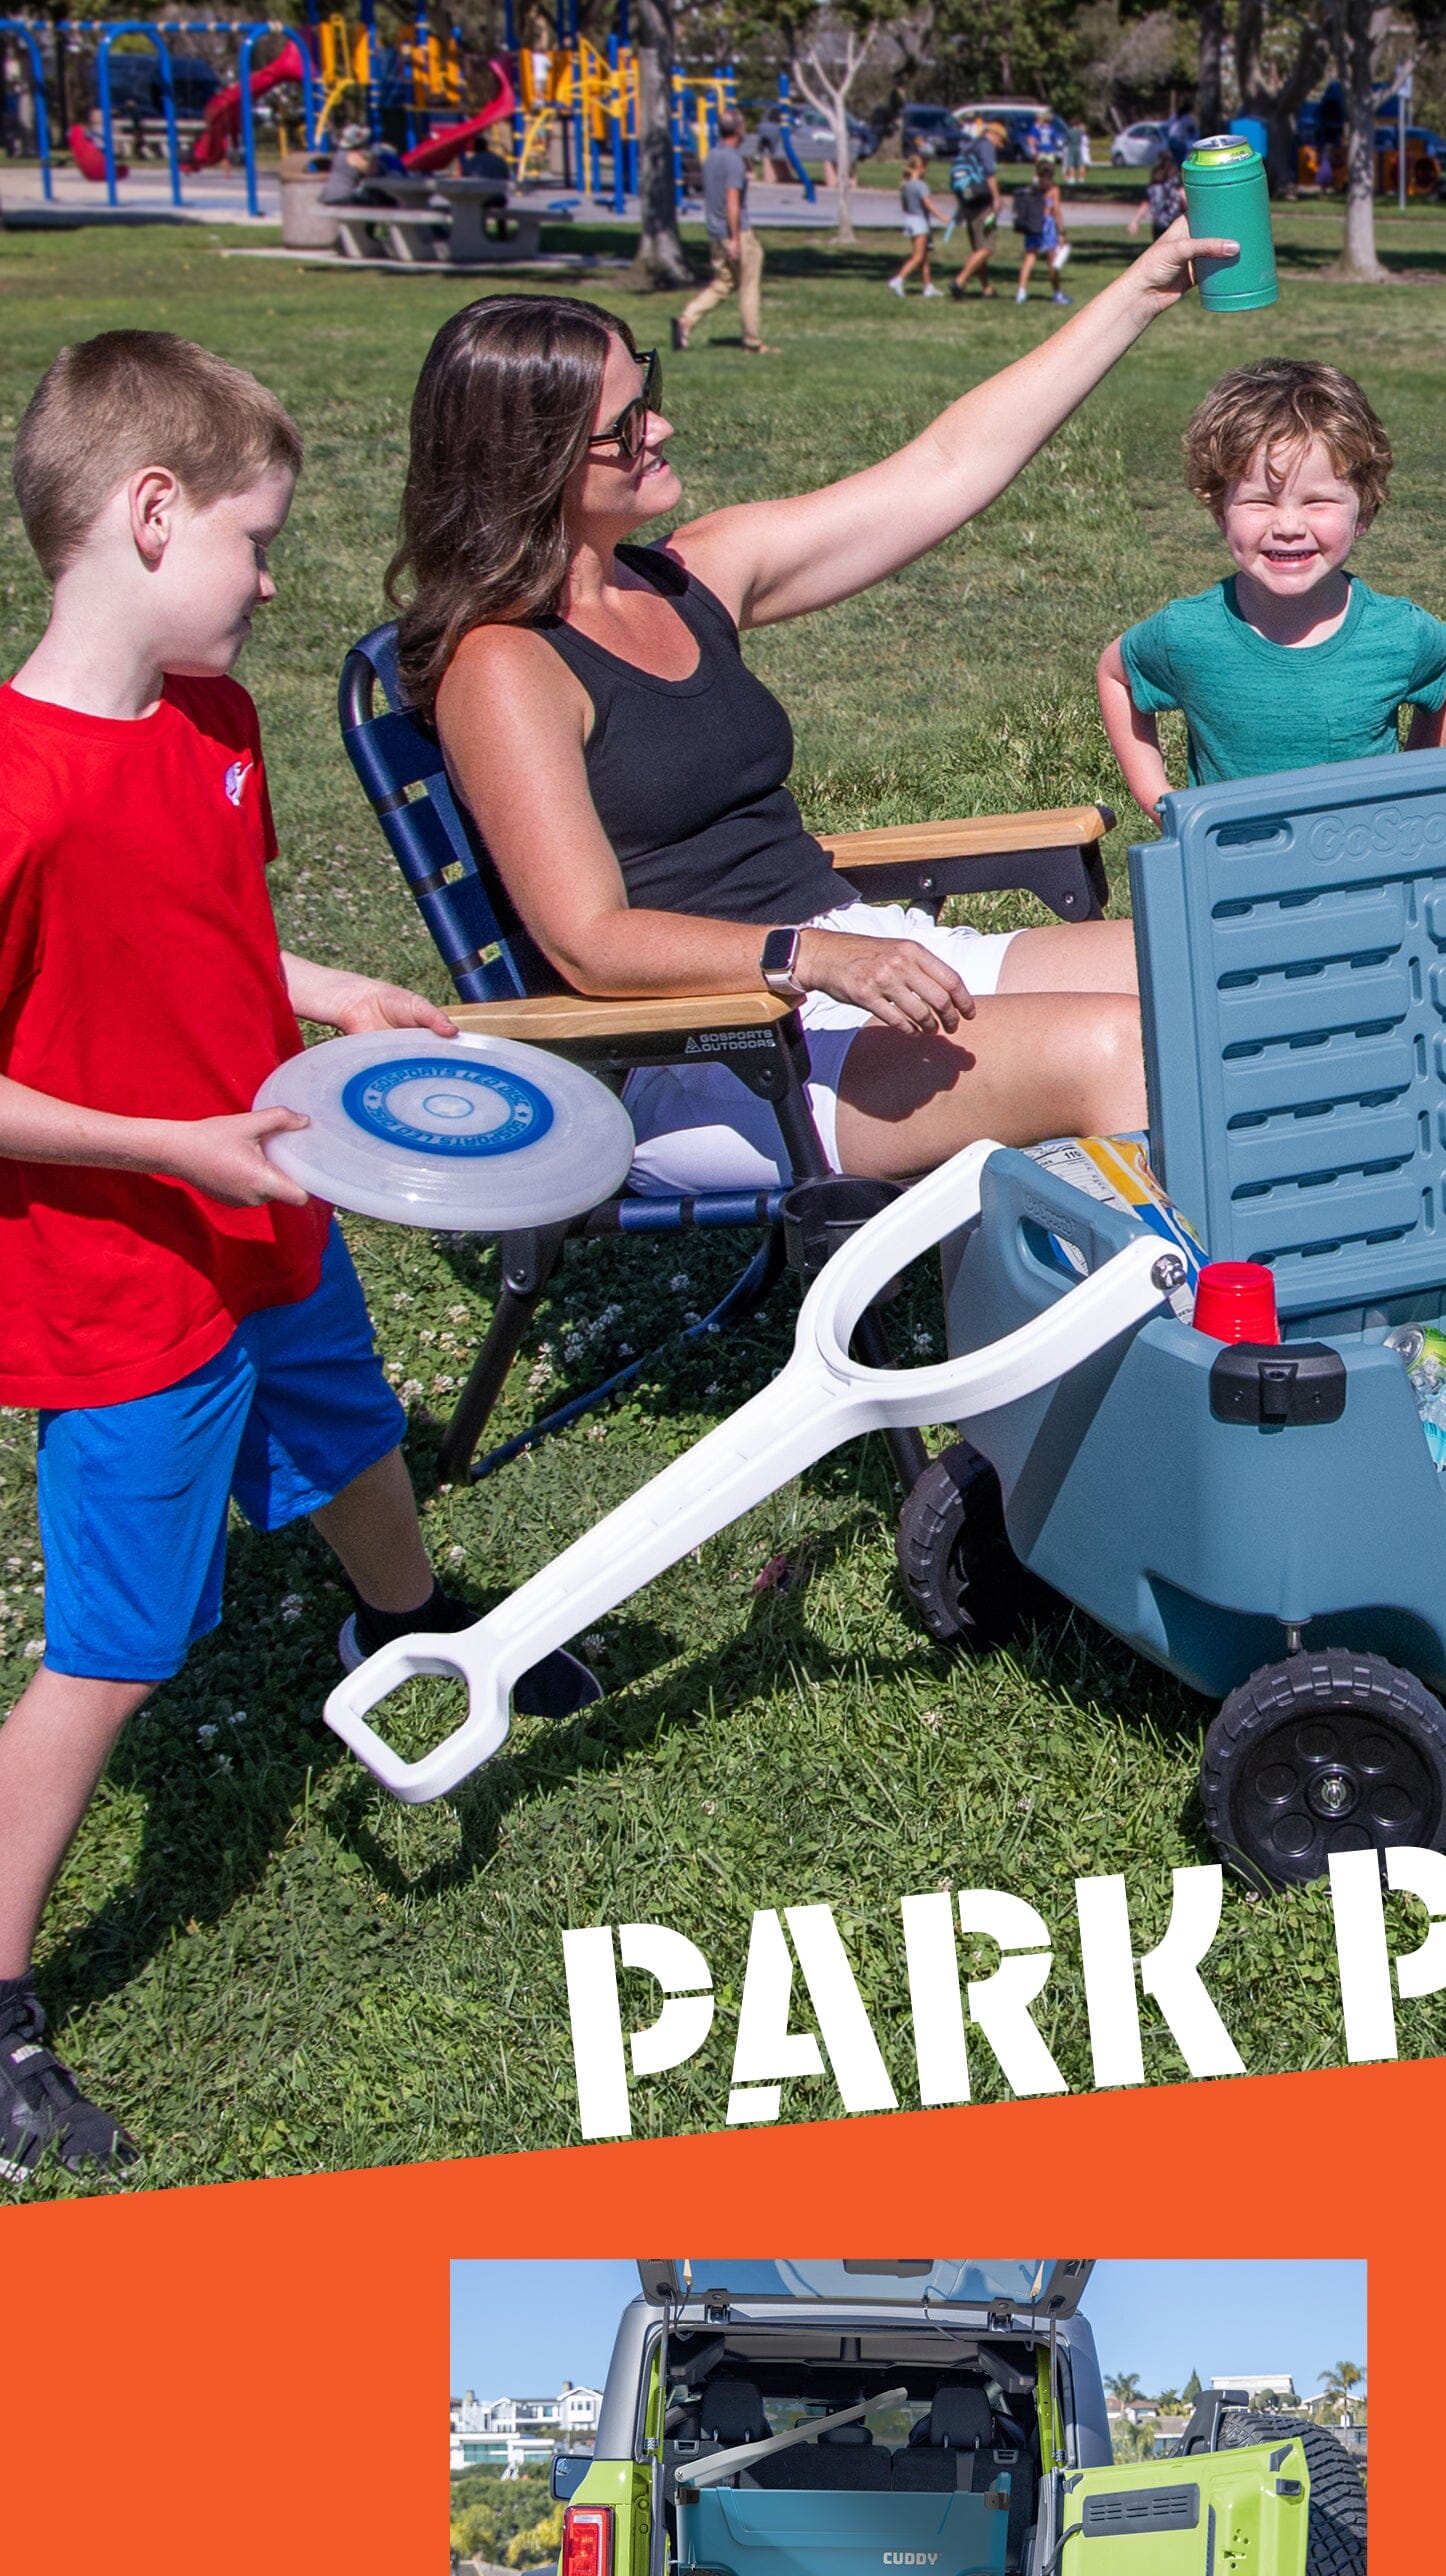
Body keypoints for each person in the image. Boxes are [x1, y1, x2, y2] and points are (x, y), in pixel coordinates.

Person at [0, 334, 600, 2175]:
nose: (272, 582)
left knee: (348, 1435)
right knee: (116, 1647)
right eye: (257, 543)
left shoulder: (217, 726)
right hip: (122, 1278)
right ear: (150, 512)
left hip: (267, 1203)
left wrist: (326, 992)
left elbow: (201, 952)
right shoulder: (18, 793)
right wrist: (164, 1147)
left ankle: (408, 1617)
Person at [394, 231, 1231, 1198]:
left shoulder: (684, 578)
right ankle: (1197, 1329)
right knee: (1121, 1045)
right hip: (715, 1054)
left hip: (847, 961)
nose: (658, 431)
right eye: (622, 429)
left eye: (648, 396)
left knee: (1220, 958)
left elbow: (950, 465)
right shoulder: (505, 665)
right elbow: (589, 937)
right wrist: (812, 958)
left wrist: (1139, 290)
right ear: (530, 463)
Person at [1096, 358, 1446, 817]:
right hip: (1233, 873)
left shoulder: (1398, 634)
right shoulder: (1188, 634)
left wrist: (1413, 781)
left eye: (1318, 501)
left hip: (1363, 870)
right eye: (1260, 501)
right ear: (1221, 512)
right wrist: (1159, 801)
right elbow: (1116, 674)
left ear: (1365, 514)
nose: (1290, 526)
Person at [674, 112, 768, 355]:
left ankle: (686, 319)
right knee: (748, 286)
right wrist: (736, 239)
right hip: (736, 232)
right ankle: (752, 342)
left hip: (715, 232)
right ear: (737, 129)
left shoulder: (711, 157)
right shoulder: (734, 161)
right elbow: (732, 201)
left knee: (723, 283)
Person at [947, 121, 1003, 295]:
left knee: (978, 248)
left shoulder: (970, 146)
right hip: (982, 201)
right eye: (1001, 141)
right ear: (994, 134)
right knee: (987, 248)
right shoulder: (986, 147)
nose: (1000, 146)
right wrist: (996, 197)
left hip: (969, 200)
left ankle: (986, 288)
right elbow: (989, 173)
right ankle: (959, 281)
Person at [888, 149, 945, 298]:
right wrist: (942, 217)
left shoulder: (906, 185)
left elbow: (904, 206)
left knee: (924, 256)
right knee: (918, 256)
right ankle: (898, 279)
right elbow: (928, 204)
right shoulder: (921, 185)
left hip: (910, 220)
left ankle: (928, 286)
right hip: (920, 222)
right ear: (921, 168)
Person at [1012, 159, 1070, 305]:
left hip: (1032, 225)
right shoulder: (1054, 190)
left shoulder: (1031, 188)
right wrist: (1062, 231)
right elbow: (1056, 211)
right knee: (1052, 261)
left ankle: (1021, 291)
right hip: (1047, 227)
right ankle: (1057, 293)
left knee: (1030, 257)